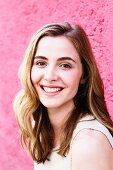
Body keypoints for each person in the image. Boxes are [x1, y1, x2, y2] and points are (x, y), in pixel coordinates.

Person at [13, 22, 113, 170]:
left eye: (65, 65)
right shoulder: (40, 124)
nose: (49, 76)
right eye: (41, 63)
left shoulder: (89, 144)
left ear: (84, 75)